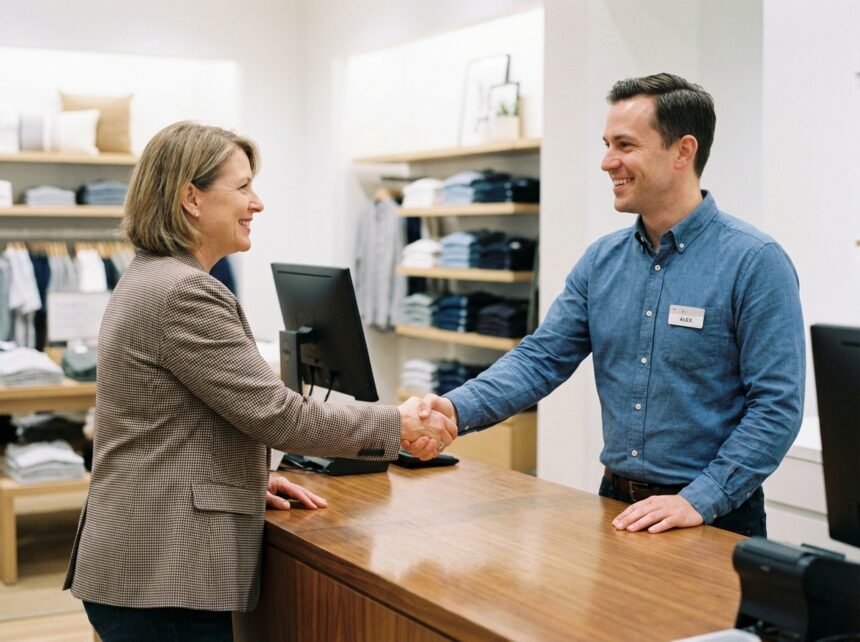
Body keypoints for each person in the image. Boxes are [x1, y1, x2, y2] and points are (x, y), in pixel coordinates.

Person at [63, 121, 455, 641]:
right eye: (243, 186)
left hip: (143, 563)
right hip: (161, 571)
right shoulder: (183, 292)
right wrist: (397, 424)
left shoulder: (150, 276)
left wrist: (244, 479)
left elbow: (169, 425)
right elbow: (280, 416)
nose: (258, 203)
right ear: (191, 198)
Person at [416, 73, 805, 537]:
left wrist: (700, 499)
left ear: (683, 151)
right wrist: (454, 409)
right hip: (617, 506)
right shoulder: (602, 261)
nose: (607, 162)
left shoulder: (755, 262)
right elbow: (541, 358)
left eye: (625, 145)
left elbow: (776, 407)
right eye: (607, 145)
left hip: (714, 518)